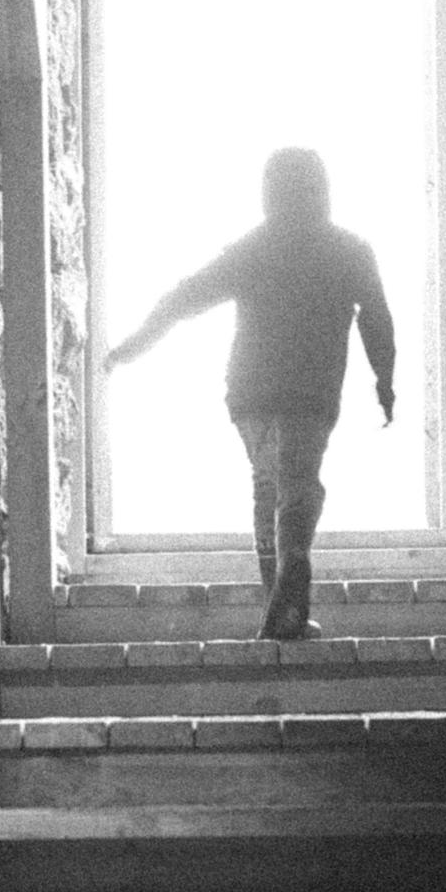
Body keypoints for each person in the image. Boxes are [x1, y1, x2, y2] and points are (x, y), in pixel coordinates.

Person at [103, 147, 395, 639]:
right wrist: (385, 381)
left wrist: (131, 347)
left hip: (251, 392)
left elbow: (183, 299)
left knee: (267, 484)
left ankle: (278, 596)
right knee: (299, 481)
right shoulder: (350, 250)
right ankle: (294, 564)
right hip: (313, 388)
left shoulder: (250, 249)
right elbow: (377, 321)